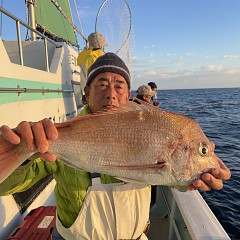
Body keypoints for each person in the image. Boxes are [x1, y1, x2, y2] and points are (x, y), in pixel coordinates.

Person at [0, 53, 231, 240]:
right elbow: (7, 186)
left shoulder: (152, 130)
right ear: (87, 92)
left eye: (119, 86)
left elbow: (169, 173)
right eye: (101, 84)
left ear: (128, 94)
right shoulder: (55, 134)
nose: (111, 94)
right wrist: (25, 153)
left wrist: (195, 177)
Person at [77, 32, 107, 105]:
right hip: (96, 97)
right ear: (102, 45)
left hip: (87, 95)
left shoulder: (85, 56)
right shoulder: (98, 58)